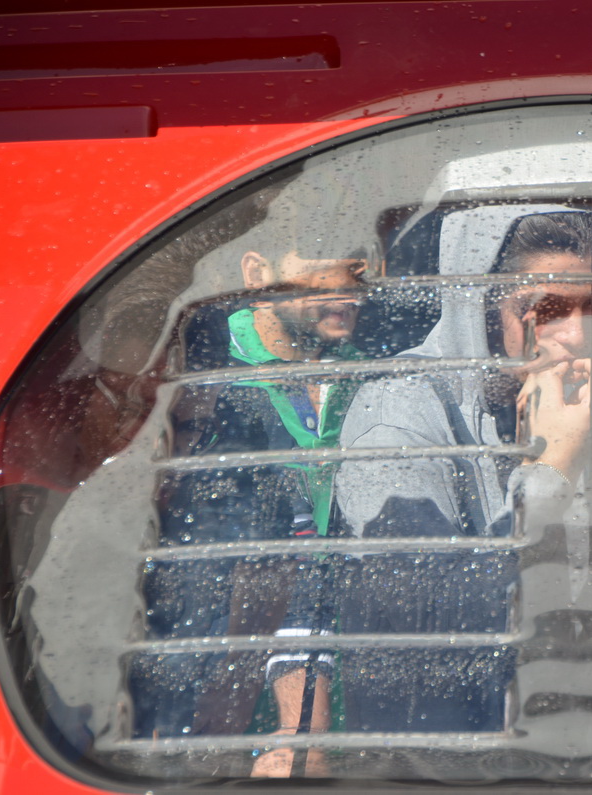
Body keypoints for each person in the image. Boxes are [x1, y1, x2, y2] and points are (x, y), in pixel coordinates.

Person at [335, 206, 592, 744]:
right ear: (477, 313)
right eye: (544, 309)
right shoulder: (399, 409)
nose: (577, 335)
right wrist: (554, 467)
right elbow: (423, 624)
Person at [139, 215, 367, 775]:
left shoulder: (379, 372)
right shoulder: (198, 379)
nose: (348, 276)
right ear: (257, 272)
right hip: (220, 681)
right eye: (321, 252)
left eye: (360, 261)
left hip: (360, 656)